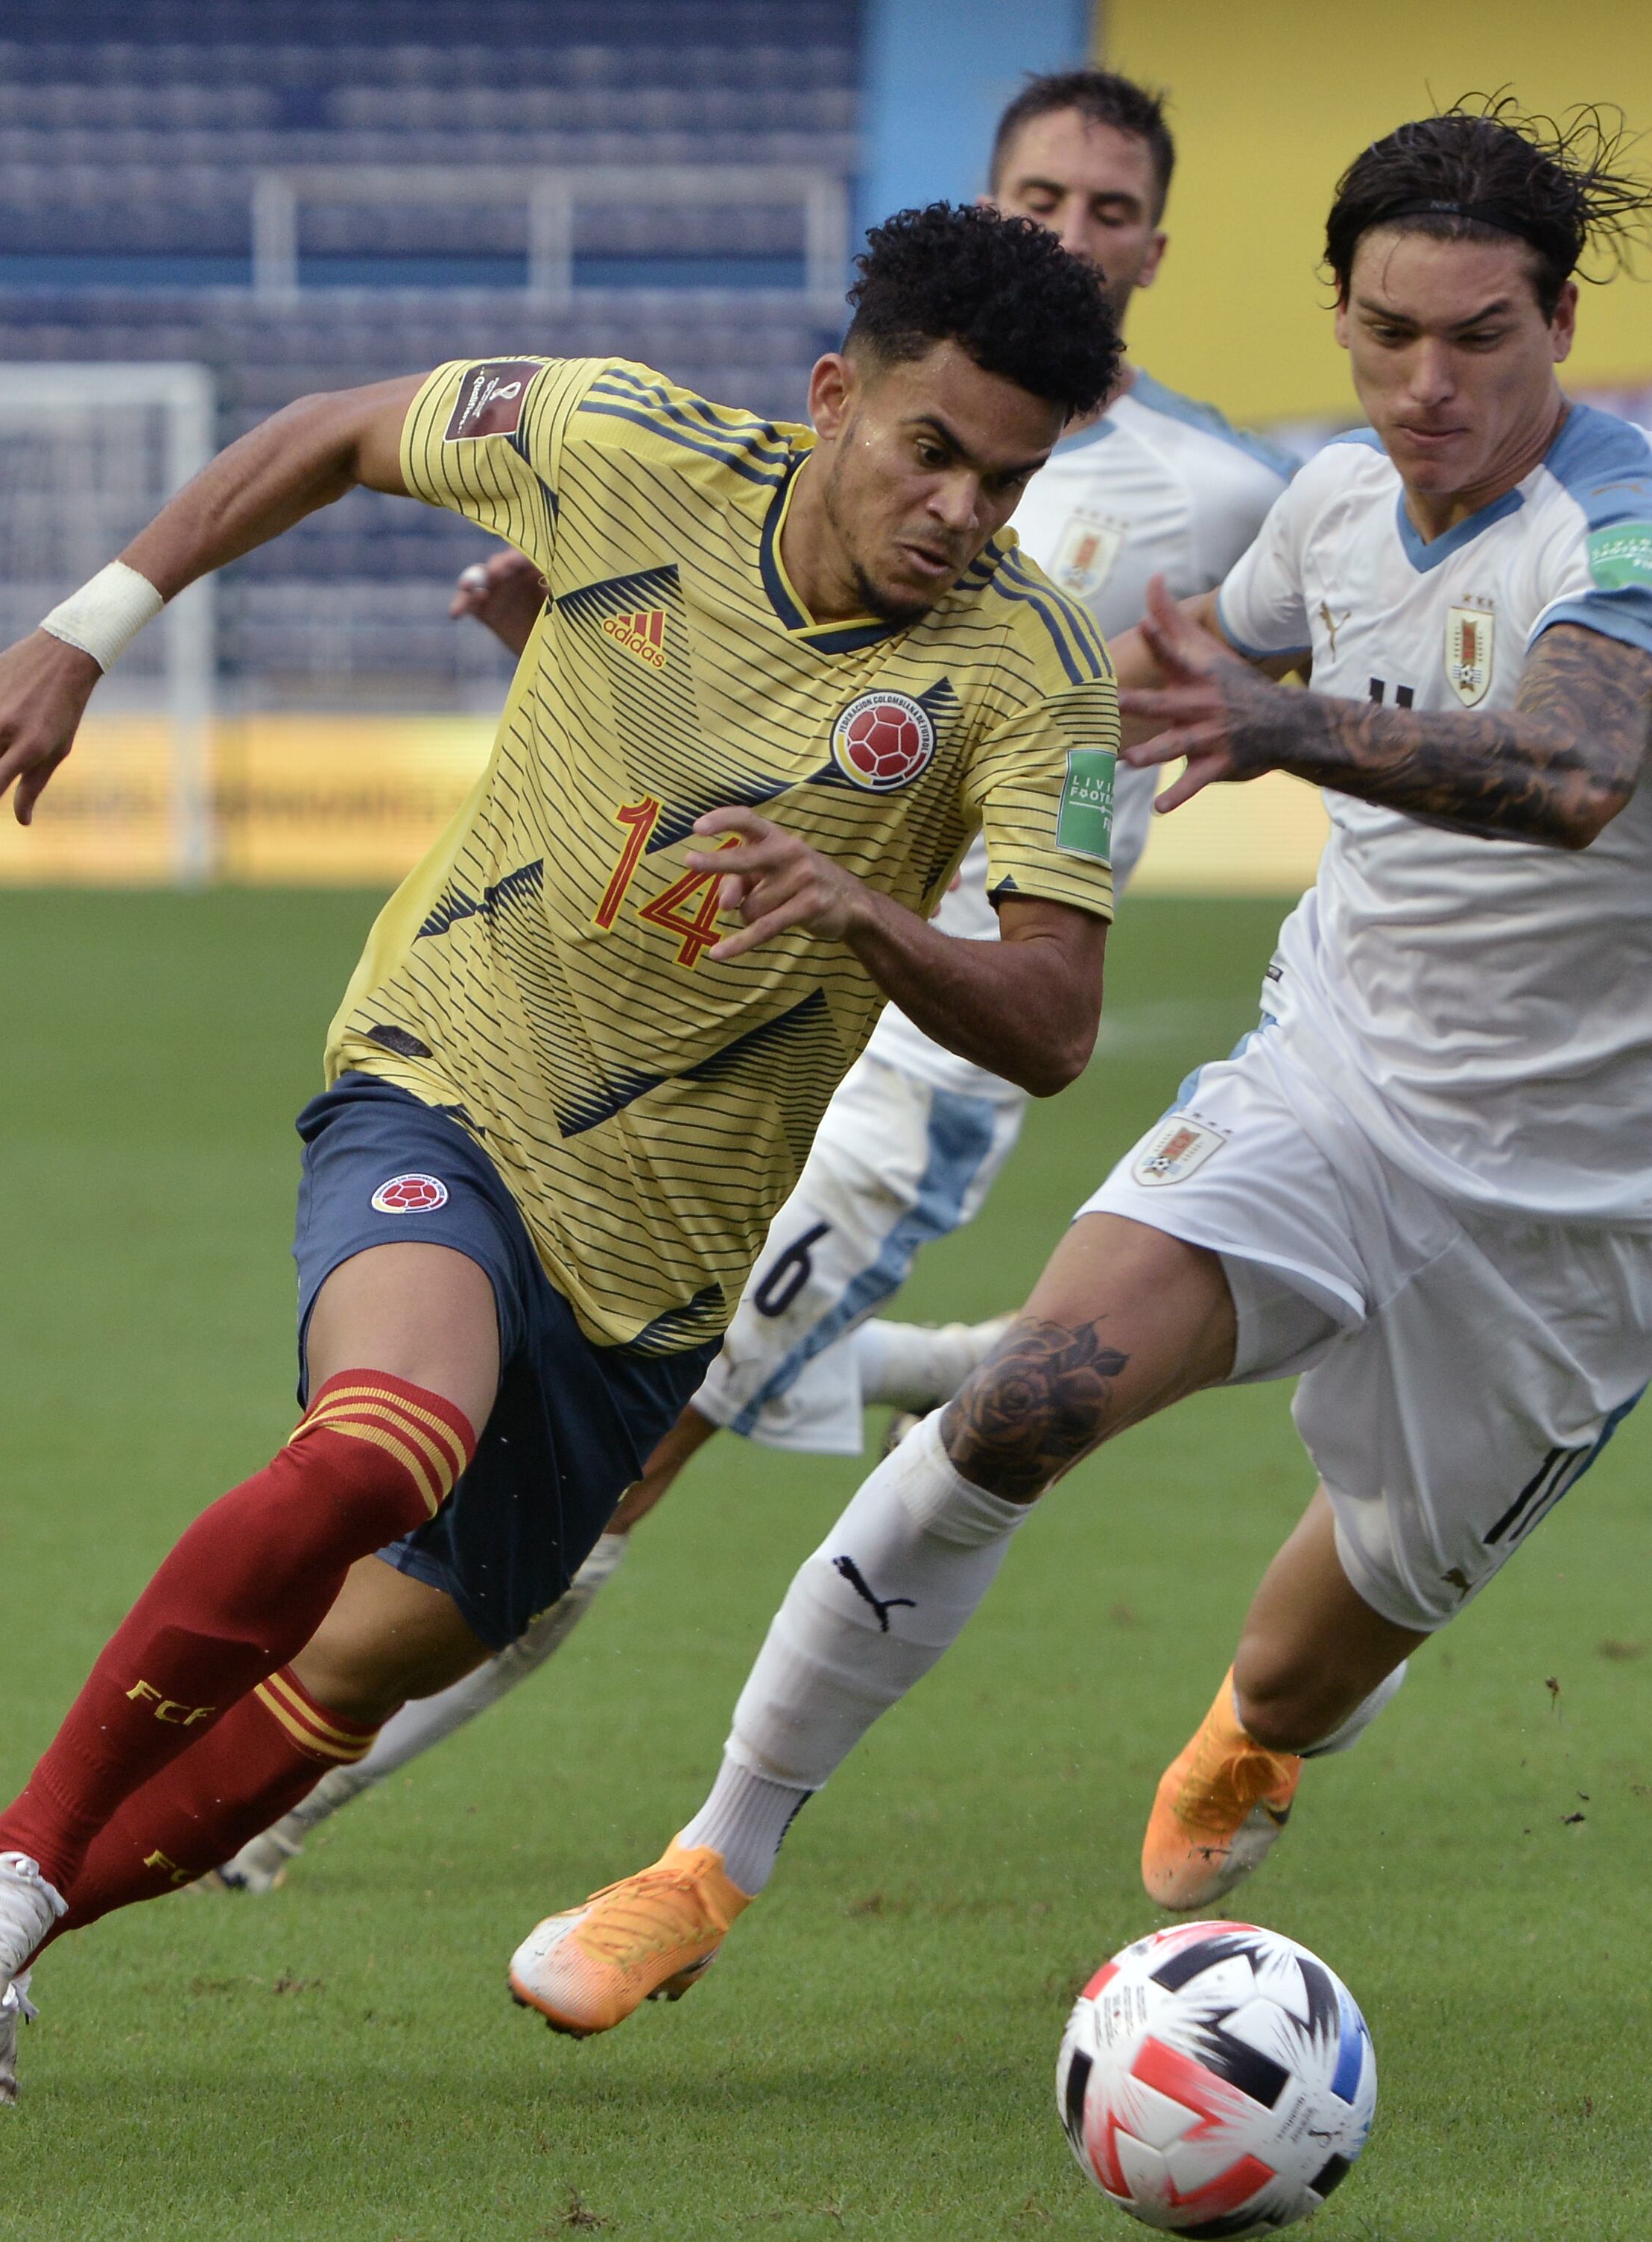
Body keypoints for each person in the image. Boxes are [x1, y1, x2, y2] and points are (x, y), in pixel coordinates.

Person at [499, 101, 1652, 2048]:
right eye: (1385, 334)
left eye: (1478, 338)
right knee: (1017, 1406)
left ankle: (1262, 1731)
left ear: (1559, 323)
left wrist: (1281, 722)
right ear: (1336, 315)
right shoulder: (1335, 506)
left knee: (1312, 1663)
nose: (1426, 385)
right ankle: (707, 1861)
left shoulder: (1638, 535)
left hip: (1575, 1206)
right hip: (1328, 1096)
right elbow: (1118, 683)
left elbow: (1574, 771)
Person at [0, 203, 1129, 2108]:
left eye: (1007, 480)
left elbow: (1051, 1022)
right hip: (444, 1079)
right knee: (386, 1434)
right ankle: (11, 1864)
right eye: (928, 449)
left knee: (347, 1690)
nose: (960, 509)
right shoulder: (618, 441)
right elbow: (319, 433)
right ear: (830, 397)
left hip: (661, 1276)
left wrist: (865, 917)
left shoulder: (1032, 671)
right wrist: (85, 628)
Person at [214, 69, 1295, 1895]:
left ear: (1157, 251)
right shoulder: (857, 441)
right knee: (581, 1388)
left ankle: (289, 1803)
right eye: (1041, 195)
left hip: (914, 1069)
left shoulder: (1229, 492)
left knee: (615, 1478)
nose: (1071, 233)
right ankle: (942, 1363)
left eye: (1110, 212)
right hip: (700, 1007)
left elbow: (1274, 700)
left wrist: (1247, 734)